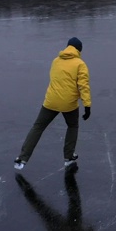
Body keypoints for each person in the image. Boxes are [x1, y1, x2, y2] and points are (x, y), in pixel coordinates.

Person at [14, 37, 91, 170]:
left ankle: (22, 158)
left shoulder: (56, 61)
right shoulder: (80, 64)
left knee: (38, 127)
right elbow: (83, 86)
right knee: (72, 126)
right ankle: (68, 157)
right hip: (68, 104)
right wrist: (87, 105)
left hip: (51, 101)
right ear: (79, 50)